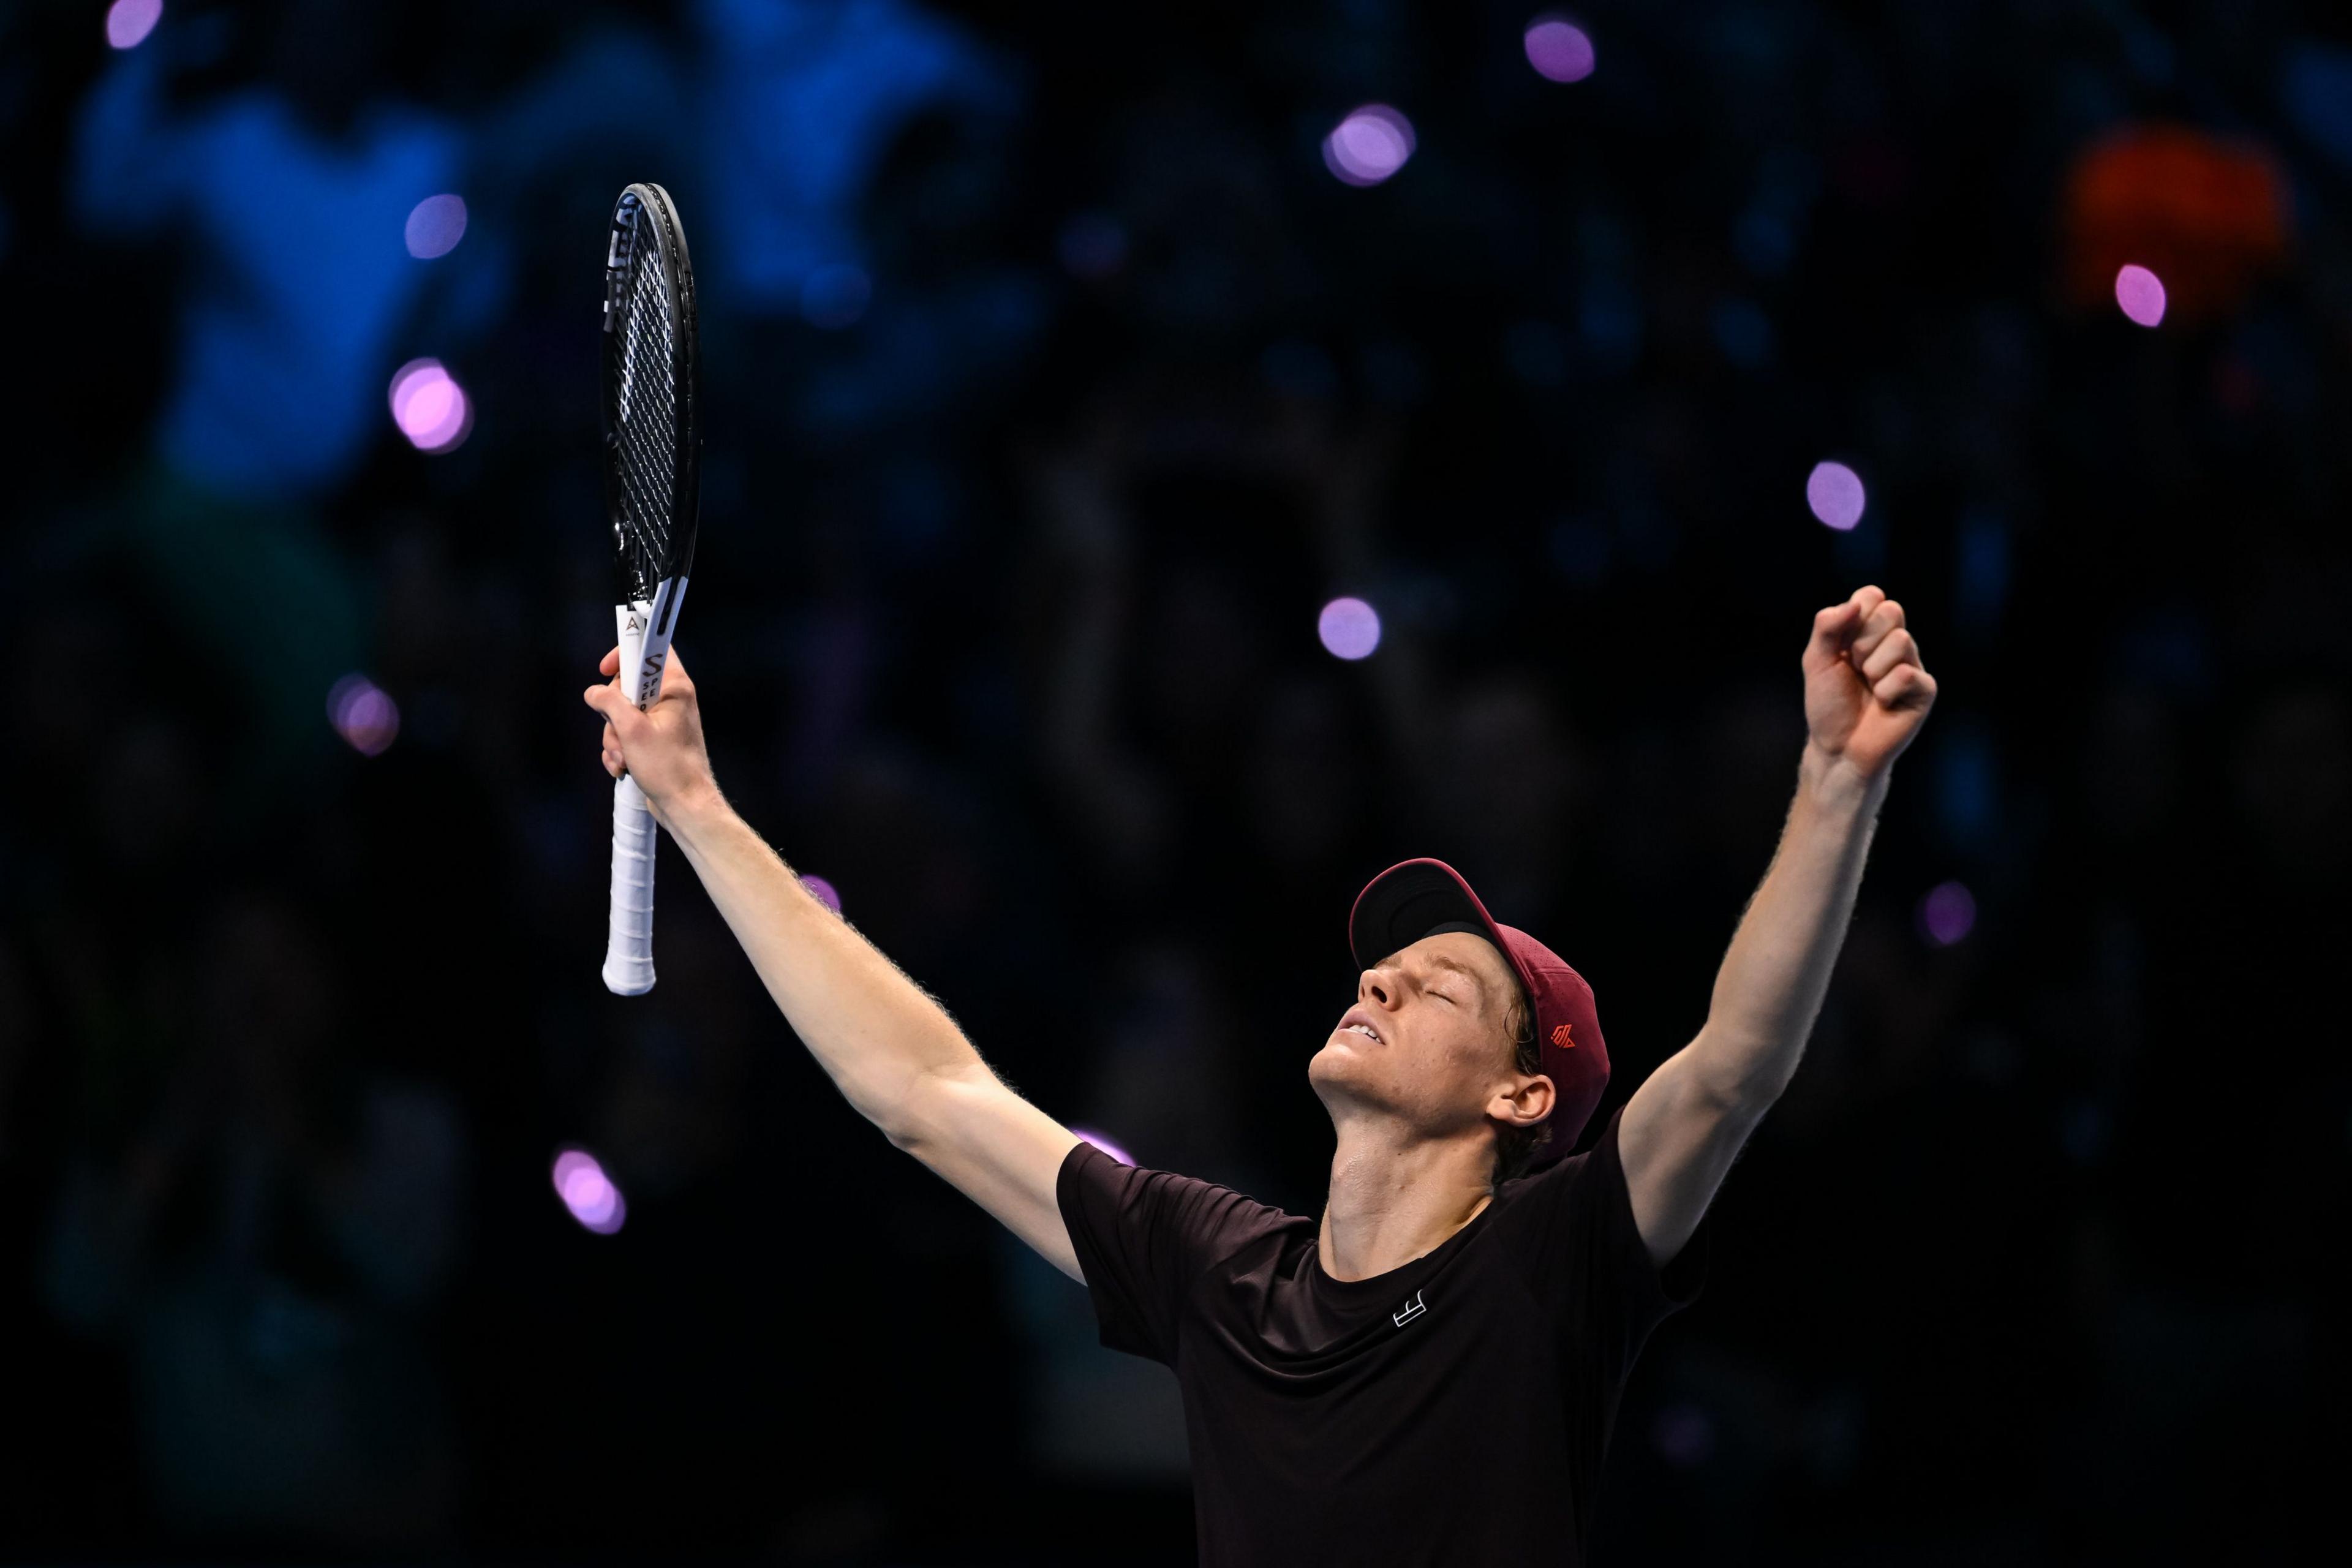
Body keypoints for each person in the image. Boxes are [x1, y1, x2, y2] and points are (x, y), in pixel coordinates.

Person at [582, 584, 1937, 1566]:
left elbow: (1732, 1069)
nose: (1383, 977)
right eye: (1385, 965)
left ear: (1522, 1098)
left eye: (1444, 984)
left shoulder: (1551, 1260)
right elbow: (922, 1089)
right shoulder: (1223, 1265)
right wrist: (700, 805)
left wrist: (1832, 784)